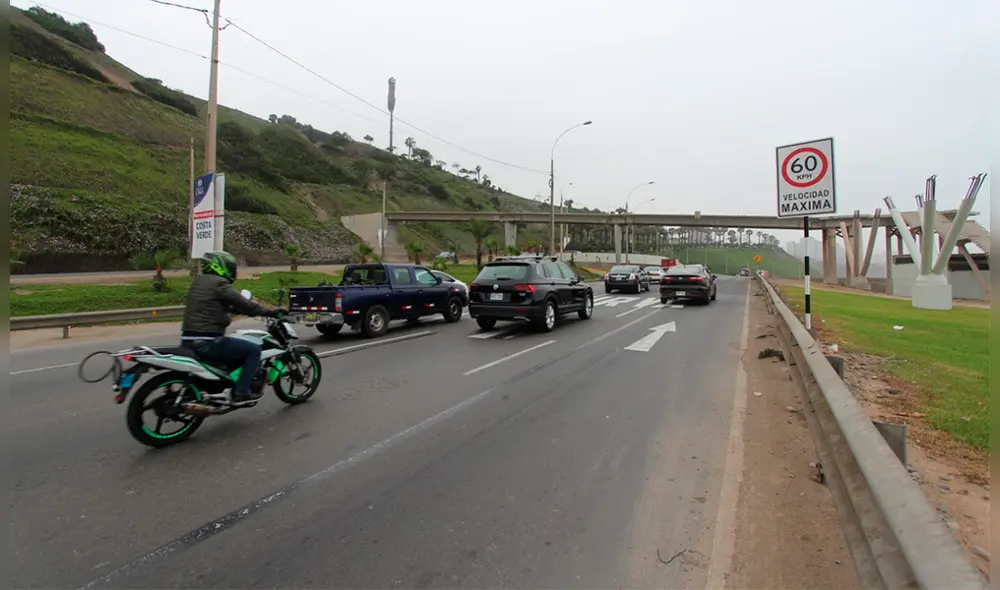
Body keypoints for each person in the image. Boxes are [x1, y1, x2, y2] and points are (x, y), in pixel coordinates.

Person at [180, 251, 286, 405]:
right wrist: (271, 312)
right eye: (230, 267)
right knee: (253, 351)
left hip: (189, 339)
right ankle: (241, 392)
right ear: (220, 267)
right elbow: (244, 303)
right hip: (208, 341)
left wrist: (242, 310)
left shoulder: (200, 282)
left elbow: (227, 306)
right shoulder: (219, 283)